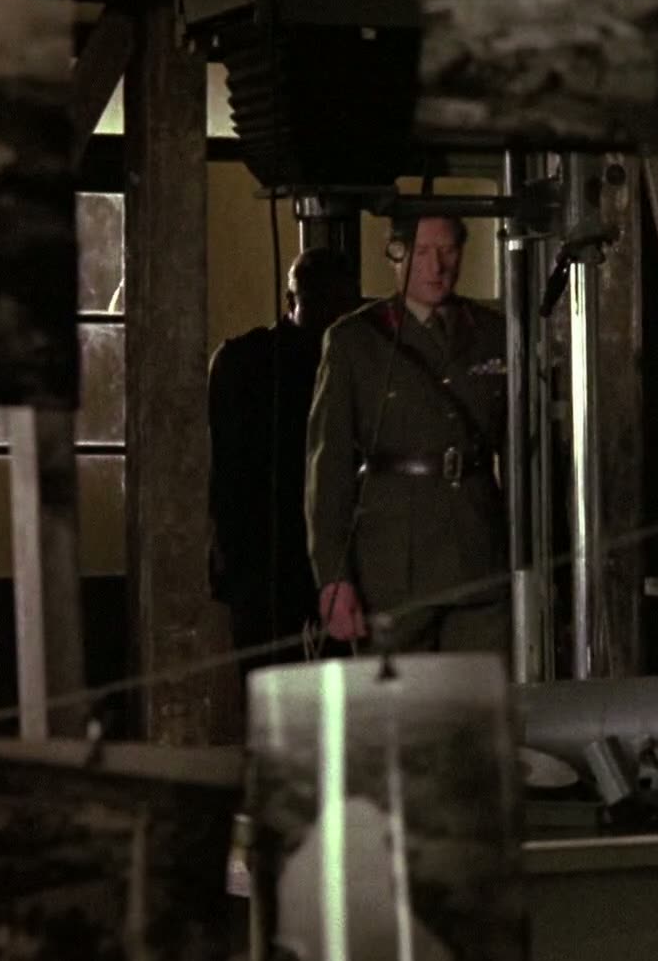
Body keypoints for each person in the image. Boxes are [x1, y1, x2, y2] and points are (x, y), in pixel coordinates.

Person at [304, 215, 510, 655]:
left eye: (448, 251)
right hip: (393, 566)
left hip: (479, 556)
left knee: (480, 690)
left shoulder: (493, 334)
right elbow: (330, 467)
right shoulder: (355, 342)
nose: (437, 266)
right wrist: (333, 578)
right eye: (422, 252)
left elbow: (525, 450)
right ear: (397, 256)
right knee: (398, 694)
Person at [209, 247, 363, 671]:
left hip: (311, 548)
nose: (333, 315)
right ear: (292, 300)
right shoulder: (245, 363)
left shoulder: (243, 360)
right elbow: (226, 470)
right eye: (324, 302)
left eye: (342, 305)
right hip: (266, 551)